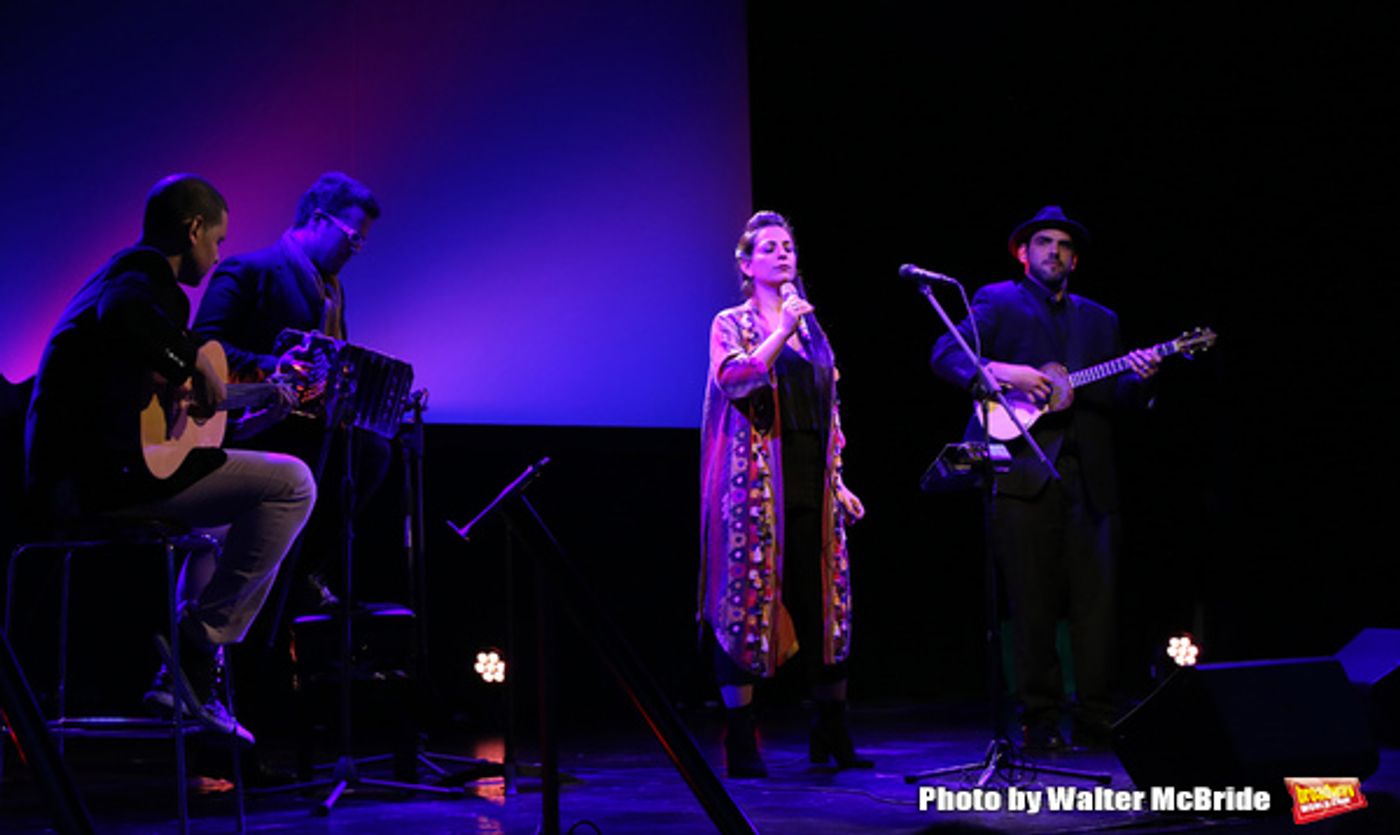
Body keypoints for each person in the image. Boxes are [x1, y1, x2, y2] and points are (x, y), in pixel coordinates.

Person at [24, 174, 316, 745]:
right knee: (295, 484)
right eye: (218, 241)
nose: (216, 256)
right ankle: (194, 649)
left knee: (231, 518)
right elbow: (127, 318)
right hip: (91, 481)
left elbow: (179, 437)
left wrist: (260, 407)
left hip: (92, 474)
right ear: (193, 228)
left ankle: (177, 683)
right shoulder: (143, 276)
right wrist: (194, 362)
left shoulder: (117, 279)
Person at [929, 205, 1159, 751]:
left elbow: (1113, 397)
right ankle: (1040, 717)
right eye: (1043, 243)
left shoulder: (1100, 319)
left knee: (1097, 606)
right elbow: (945, 353)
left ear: (1074, 259)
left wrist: (1142, 382)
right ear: (1023, 253)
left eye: (1062, 245)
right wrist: (1000, 372)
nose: (1053, 251)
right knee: (1031, 605)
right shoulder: (996, 301)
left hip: (1091, 480)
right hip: (1023, 473)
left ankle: (1097, 713)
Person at [698, 211, 868, 778]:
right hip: (753, 486)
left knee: (826, 605)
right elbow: (736, 378)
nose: (782, 253)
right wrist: (781, 331)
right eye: (768, 247)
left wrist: (838, 481)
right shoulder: (733, 321)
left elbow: (830, 410)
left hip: (810, 480)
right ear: (746, 265)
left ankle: (831, 730)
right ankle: (741, 740)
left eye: (788, 246)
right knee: (748, 604)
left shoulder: (814, 330)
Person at [192, 172, 387, 610]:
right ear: (319, 220)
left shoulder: (332, 292)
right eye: (352, 239)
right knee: (369, 454)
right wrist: (272, 368)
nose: (354, 251)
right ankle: (290, 575)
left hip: (305, 430)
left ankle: (297, 571)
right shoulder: (248, 270)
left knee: (377, 449)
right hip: (255, 427)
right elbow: (204, 345)